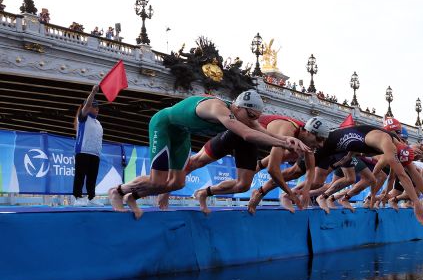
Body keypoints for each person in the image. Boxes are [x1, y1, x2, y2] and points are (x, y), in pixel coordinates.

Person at [109, 91, 310, 219]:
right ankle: (117, 191)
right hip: (163, 126)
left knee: (176, 183)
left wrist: (288, 141)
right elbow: (248, 134)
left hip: (181, 134)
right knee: (157, 181)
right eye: (249, 116)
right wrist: (283, 142)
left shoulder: (245, 115)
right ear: (238, 107)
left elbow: (260, 130)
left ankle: (132, 196)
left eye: (255, 118)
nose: (252, 121)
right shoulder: (218, 108)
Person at [184, 115, 330, 214]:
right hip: (238, 133)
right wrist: (290, 194)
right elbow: (273, 169)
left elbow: (310, 170)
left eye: (323, 141)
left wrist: (305, 191)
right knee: (198, 161)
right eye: (319, 139)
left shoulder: (307, 141)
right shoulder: (287, 131)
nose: (321, 144)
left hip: (249, 143)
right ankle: (166, 187)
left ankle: (203, 192)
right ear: (307, 132)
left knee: (243, 186)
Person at [72, 85, 104, 206]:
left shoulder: (98, 123)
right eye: (94, 107)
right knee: (80, 176)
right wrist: (93, 92)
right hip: (83, 151)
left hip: (95, 153)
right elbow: (87, 104)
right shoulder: (83, 117)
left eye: (98, 107)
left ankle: (91, 197)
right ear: (88, 107)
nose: (97, 109)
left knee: (92, 177)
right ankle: (77, 197)